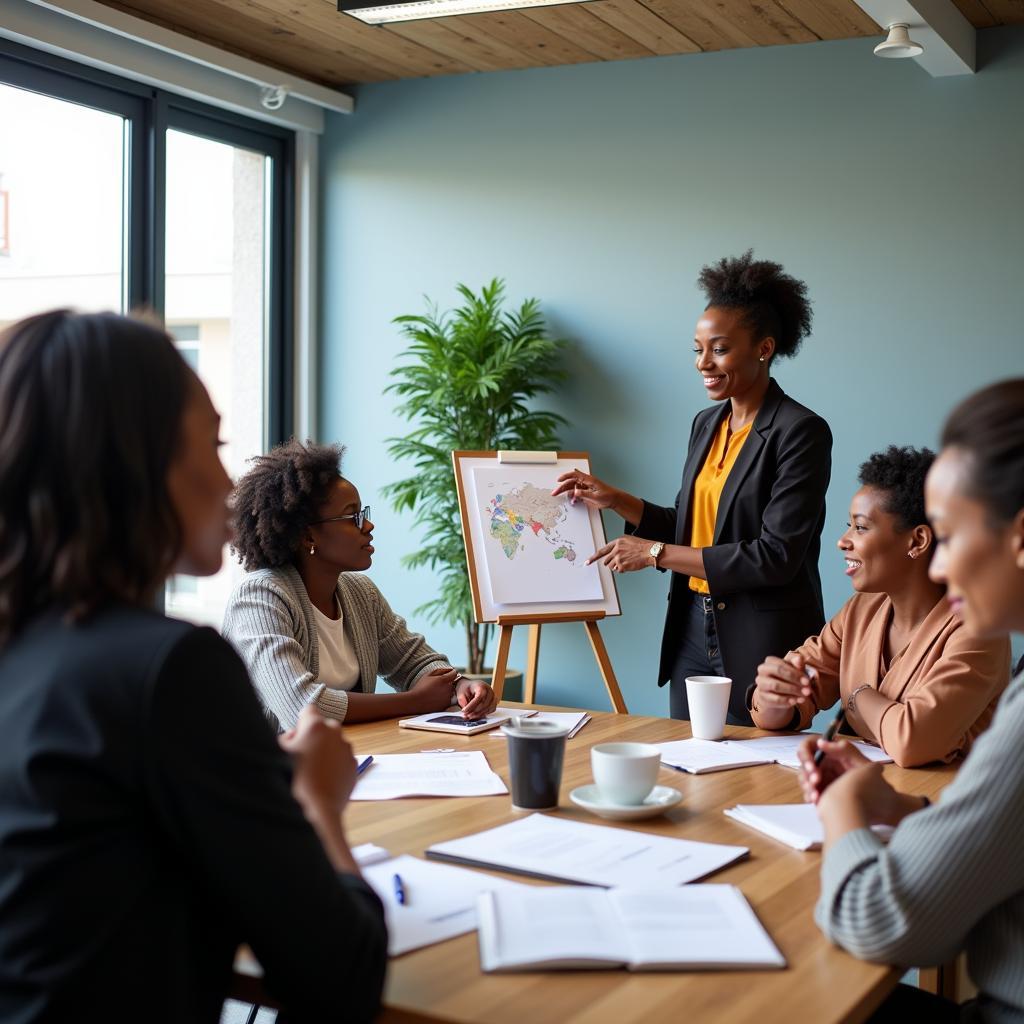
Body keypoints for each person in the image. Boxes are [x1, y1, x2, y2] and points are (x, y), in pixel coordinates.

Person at [0, 310, 386, 1023]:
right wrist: (319, 807)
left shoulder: (26, 654)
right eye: (211, 445)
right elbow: (344, 977)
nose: (228, 485)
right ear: (131, 464)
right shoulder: (171, 671)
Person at [798, 379, 1024, 1022]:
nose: (944, 565)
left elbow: (879, 920)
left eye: (950, 536)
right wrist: (896, 803)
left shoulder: (985, 647)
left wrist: (844, 804)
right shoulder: (862, 608)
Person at [553, 251, 832, 724]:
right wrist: (616, 498)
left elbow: (776, 556)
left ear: (763, 348)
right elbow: (690, 527)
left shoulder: (800, 431)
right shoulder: (706, 424)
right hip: (691, 630)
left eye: (719, 349)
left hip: (760, 639)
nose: (704, 362)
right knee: (690, 767)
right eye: (698, 349)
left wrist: (654, 554)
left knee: (757, 779)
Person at [750, 446, 1009, 766]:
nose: (843, 541)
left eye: (860, 527)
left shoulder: (980, 631)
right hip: (868, 792)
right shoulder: (862, 609)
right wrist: (774, 694)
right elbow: (791, 702)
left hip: (943, 806)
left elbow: (913, 742)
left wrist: (859, 696)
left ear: (917, 542)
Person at [222, 439, 497, 731]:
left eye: (363, 514)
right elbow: (304, 708)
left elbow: (414, 663)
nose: (367, 526)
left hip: (347, 759)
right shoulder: (259, 597)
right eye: (353, 516)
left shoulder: (360, 593)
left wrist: (461, 685)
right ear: (308, 536)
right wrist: (415, 701)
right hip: (260, 772)